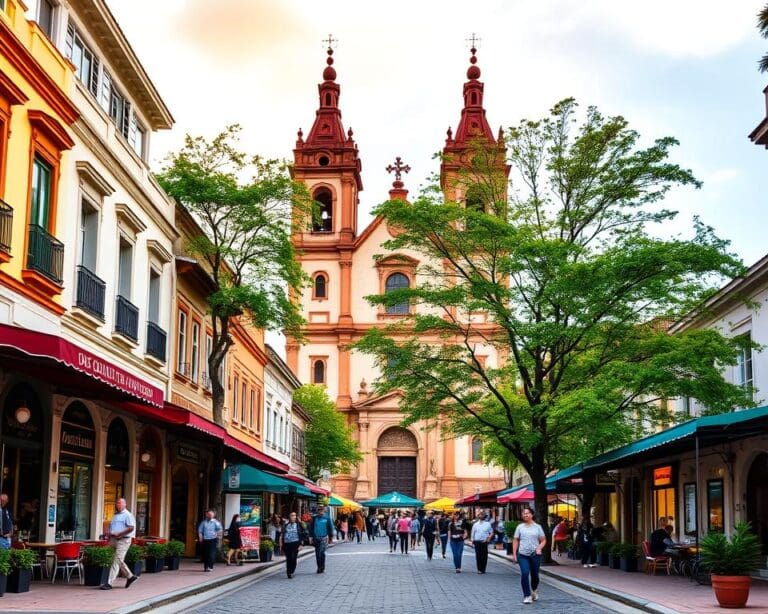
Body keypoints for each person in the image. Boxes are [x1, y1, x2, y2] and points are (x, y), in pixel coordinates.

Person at [100, 498, 139, 590]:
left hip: (123, 540)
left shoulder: (128, 515)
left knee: (118, 559)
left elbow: (131, 528)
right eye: (117, 503)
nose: (118, 505)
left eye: (120, 503)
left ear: (125, 504)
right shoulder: (115, 515)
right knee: (115, 560)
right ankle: (129, 577)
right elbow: (112, 527)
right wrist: (108, 535)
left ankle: (111, 582)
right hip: (113, 539)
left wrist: (120, 534)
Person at [512, 507, 546, 604]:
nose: (525, 515)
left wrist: (539, 548)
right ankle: (527, 595)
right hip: (522, 555)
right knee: (525, 573)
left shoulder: (537, 527)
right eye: (523, 513)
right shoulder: (520, 527)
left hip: (535, 555)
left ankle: (534, 589)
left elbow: (543, 540)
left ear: (532, 514)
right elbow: (515, 540)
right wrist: (514, 554)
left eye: (527, 513)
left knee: (535, 575)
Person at [308, 505, 334, 573]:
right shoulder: (314, 518)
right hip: (316, 537)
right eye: (319, 510)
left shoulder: (327, 518)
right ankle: (319, 567)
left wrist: (331, 537)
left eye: (322, 510)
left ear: (324, 511)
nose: (321, 512)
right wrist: (310, 537)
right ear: (317, 511)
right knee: (317, 553)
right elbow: (311, 528)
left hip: (324, 538)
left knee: (321, 553)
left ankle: (322, 567)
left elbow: (330, 528)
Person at [281, 511, 307, 578]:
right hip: (287, 543)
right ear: (289, 517)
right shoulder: (286, 525)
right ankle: (289, 572)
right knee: (288, 558)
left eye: (294, 515)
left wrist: (301, 544)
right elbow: (282, 535)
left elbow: (304, 533)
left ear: (296, 517)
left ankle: (292, 570)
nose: (293, 517)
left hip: (295, 543)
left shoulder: (298, 525)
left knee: (293, 558)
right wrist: (282, 544)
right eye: (292, 515)